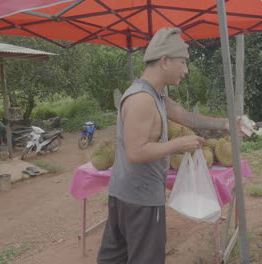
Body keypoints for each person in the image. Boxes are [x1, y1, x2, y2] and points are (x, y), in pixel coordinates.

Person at [97, 27, 242, 264]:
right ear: (165, 61)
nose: (186, 70)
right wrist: (177, 144)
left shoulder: (157, 95)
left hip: (125, 193)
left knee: (116, 257)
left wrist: (225, 123)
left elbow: (185, 117)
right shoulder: (142, 100)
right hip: (140, 199)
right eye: (183, 62)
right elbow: (136, 152)